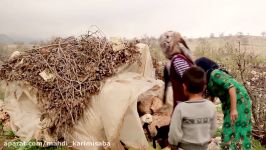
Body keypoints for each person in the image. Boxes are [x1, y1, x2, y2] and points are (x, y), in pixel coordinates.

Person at [195, 57, 252, 150]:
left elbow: (231, 87)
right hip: (230, 103)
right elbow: (208, 99)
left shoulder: (215, 73)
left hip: (239, 100)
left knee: (236, 127)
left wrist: (233, 109)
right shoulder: (208, 80)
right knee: (232, 127)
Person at [168, 66, 216, 150]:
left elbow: (174, 134)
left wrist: (173, 145)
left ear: (184, 87)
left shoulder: (181, 108)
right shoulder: (211, 106)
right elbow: (212, 129)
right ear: (204, 87)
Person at [159, 31, 193, 109]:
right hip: (185, 106)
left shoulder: (178, 60)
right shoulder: (179, 59)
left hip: (186, 107)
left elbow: (192, 82)